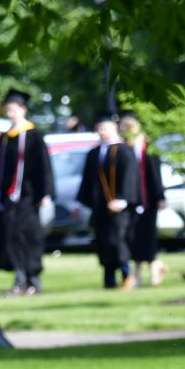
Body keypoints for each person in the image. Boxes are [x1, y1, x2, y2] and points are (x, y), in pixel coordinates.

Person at [0, 90, 55, 295]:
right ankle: (19, 278)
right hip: (9, 198)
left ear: (23, 110)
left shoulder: (34, 135)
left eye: (14, 108)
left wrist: (45, 193)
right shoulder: (4, 138)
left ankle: (33, 278)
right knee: (12, 235)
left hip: (29, 196)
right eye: (8, 108)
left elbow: (44, 166)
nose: (10, 111)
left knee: (29, 235)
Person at [78, 118, 141, 290]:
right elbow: (88, 180)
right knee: (103, 242)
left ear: (115, 129)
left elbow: (130, 177)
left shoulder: (125, 151)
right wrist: (86, 201)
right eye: (99, 128)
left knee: (117, 240)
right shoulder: (94, 153)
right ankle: (109, 278)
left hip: (120, 207)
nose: (101, 131)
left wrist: (124, 199)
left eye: (105, 128)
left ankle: (127, 275)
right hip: (100, 207)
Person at [123, 115, 168, 287]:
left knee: (148, 236)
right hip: (133, 201)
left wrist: (160, 196)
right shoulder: (126, 148)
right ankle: (142, 273)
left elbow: (156, 174)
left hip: (149, 200)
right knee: (133, 237)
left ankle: (153, 270)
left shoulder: (149, 148)